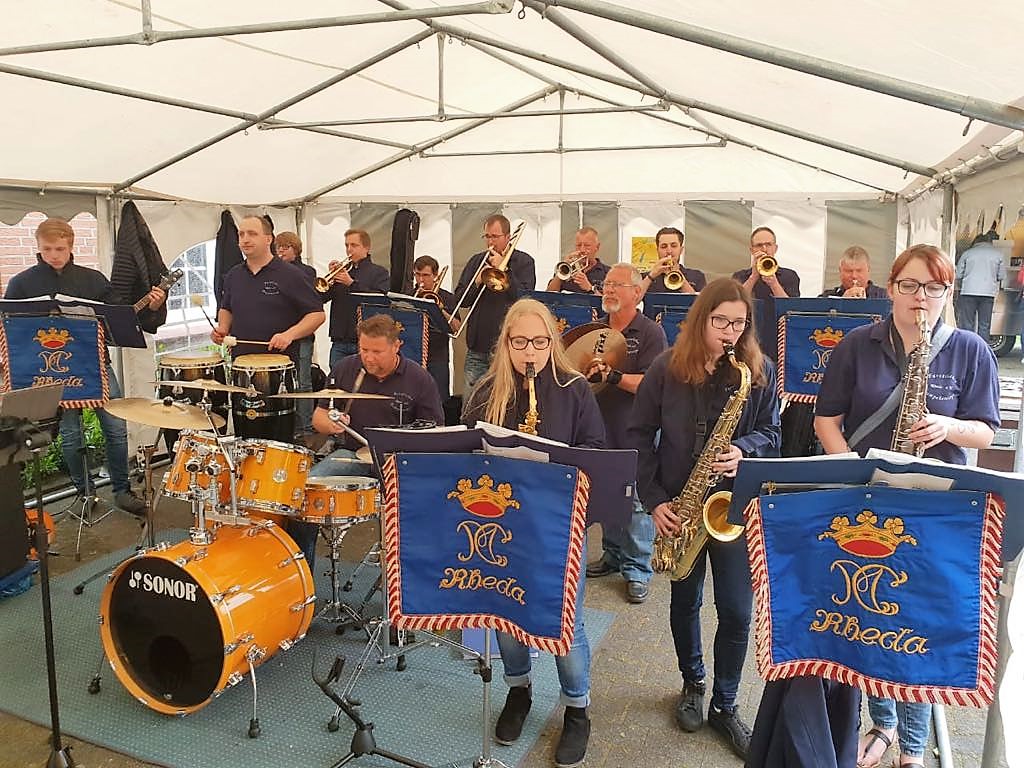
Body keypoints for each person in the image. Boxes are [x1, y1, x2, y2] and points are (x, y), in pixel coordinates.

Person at [814, 244, 999, 768]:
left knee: (919, 623)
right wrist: (851, 474)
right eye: (910, 286)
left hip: (937, 508)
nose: (921, 298)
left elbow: (986, 432)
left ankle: (914, 747)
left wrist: (948, 426)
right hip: (870, 502)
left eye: (934, 288)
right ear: (892, 288)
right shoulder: (857, 344)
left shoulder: (969, 349)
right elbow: (826, 420)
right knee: (872, 613)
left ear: (948, 293)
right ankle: (884, 723)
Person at [627, 278, 781, 761]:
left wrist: (744, 449)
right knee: (686, 601)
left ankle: (725, 703)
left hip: (733, 509)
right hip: (682, 505)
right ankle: (692, 683)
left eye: (739, 323)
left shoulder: (757, 371)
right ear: (701, 320)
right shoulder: (665, 368)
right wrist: (655, 501)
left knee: (737, 611)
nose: (730, 332)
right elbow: (638, 434)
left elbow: (772, 432)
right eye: (721, 322)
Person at [461, 298, 604, 768]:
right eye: (520, 342)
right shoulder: (487, 390)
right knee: (505, 616)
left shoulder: (574, 388)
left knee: (568, 623)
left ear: (552, 343)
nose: (530, 352)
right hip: (501, 525)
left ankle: (577, 708)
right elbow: (465, 451)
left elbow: (595, 448)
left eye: (540, 342)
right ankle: (518, 689)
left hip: (559, 522)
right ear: (505, 343)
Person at [4, 218, 168, 515]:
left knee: (116, 428)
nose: (54, 255)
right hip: (53, 370)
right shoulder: (21, 284)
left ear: (71, 246)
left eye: (60, 249)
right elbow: (10, 327)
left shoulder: (93, 280)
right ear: (38, 247)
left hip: (96, 365)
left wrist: (153, 307)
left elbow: (121, 317)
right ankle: (85, 494)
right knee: (71, 435)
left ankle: (122, 491)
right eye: (47, 249)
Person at [290, 314, 444, 570]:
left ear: (396, 346)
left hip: (399, 463)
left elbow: (434, 432)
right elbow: (319, 417)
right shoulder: (345, 368)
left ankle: (412, 574)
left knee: (428, 509)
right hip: (352, 456)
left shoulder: (419, 379)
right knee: (304, 495)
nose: (369, 358)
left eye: (377, 351)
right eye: (364, 350)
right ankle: (302, 576)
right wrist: (332, 424)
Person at [583, 263, 668, 604]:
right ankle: (613, 554)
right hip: (599, 425)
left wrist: (613, 377)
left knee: (635, 499)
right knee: (608, 494)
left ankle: (637, 569)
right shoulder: (595, 330)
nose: (608, 289)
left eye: (617, 284)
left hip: (635, 429)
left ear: (636, 292)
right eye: (606, 284)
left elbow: (652, 384)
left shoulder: (650, 333)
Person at [211, 215, 326, 440]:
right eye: (241, 234)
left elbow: (317, 314)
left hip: (279, 372)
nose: (245, 239)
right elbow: (226, 308)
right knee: (246, 436)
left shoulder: (291, 274)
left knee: (276, 439)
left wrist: (289, 334)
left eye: (252, 234)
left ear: (268, 239)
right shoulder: (233, 275)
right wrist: (222, 328)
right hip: (242, 368)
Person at [453, 214, 536, 389]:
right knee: (471, 401)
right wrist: (477, 281)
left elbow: (524, 298)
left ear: (508, 237)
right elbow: (460, 300)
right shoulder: (476, 261)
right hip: (478, 350)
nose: (490, 242)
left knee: (506, 399)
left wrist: (505, 270)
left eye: (495, 236)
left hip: (509, 347)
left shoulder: (524, 262)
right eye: (487, 236)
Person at [322, 228, 390, 368]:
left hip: (366, 341)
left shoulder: (379, 273)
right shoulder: (342, 272)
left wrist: (351, 284)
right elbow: (322, 298)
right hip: (340, 340)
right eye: (347, 245)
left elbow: (379, 300)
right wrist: (329, 281)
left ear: (366, 248)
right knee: (337, 378)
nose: (349, 250)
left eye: (354, 245)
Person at [275, 230, 317, 436]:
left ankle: (305, 427)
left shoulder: (306, 272)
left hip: (302, 336)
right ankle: (287, 424)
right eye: (278, 248)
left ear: (296, 249)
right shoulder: (274, 271)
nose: (281, 251)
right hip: (280, 334)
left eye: (286, 247)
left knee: (303, 382)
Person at [413, 254, 461, 401]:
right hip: (413, 355)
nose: (421, 280)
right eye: (417, 275)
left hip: (438, 357)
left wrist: (440, 309)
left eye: (426, 275)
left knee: (439, 400)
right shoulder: (410, 295)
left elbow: (457, 327)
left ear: (436, 276)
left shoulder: (447, 298)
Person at [955, 233, 1006, 343]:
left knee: (967, 324)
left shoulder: (967, 253)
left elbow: (958, 274)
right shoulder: (998, 255)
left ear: (976, 242)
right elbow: (1001, 276)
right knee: (984, 325)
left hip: (968, 292)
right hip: (988, 293)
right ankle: (982, 349)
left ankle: (967, 347)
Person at [733, 226, 800, 300]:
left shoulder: (790, 276)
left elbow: (791, 305)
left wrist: (774, 284)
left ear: (775, 248)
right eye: (759, 245)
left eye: (768, 244)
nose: (764, 249)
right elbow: (735, 302)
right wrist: (753, 277)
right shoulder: (739, 276)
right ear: (752, 250)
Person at [641, 227, 706, 296]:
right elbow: (635, 299)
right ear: (657, 250)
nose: (669, 251)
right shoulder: (644, 277)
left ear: (681, 250)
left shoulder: (697, 276)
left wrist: (681, 280)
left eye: (674, 246)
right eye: (664, 246)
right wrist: (651, 276)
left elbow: (701, 302)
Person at [546, 226, 609, 295]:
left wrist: (590, 288)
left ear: (597, 247)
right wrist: (561, 274)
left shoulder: (607, 273)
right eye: (579, 245)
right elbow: (549, 295)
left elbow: (609, 300)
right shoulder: (566, 268)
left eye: (587, 245)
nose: (582, 250)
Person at [819, 245, 889, 299]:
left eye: (859, 271)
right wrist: (842, 302)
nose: (854, 276)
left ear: (868, 270)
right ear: (840, 271)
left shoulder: (885, 297)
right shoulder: (825, 298)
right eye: (848, 271)